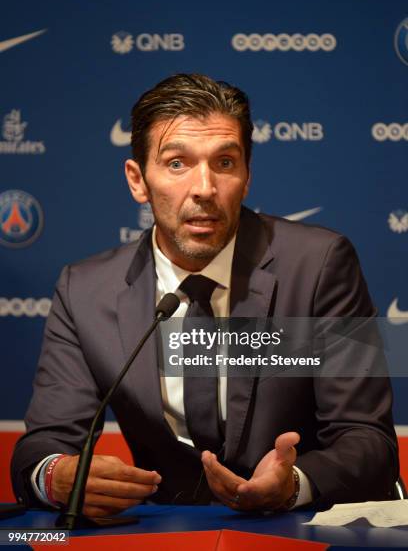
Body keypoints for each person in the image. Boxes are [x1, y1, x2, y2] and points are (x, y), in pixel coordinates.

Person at [11, 73, 398, 518]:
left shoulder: (320, 266)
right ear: (138, 180)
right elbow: (43, 445)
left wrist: (293, 484)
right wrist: (55, 474)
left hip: (299, 526)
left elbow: (369, 440)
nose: (204, 188)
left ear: (247, 176)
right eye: (177, 163)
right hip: (161, 532)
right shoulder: (85, 291)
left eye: (225, 163)